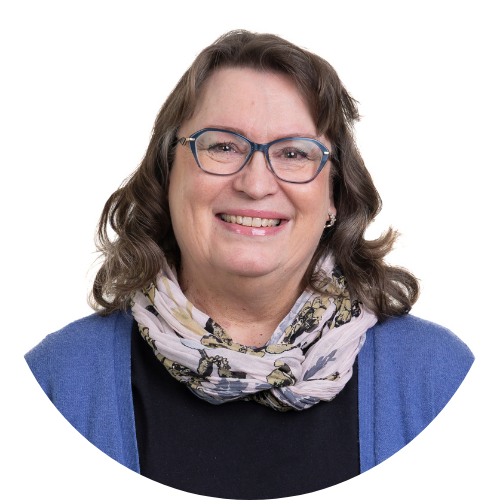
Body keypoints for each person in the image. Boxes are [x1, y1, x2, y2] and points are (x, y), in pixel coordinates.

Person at [24, 30, 474, 496]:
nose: (256, 184)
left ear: (334, 195)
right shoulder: (59, 380)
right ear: (166, 173)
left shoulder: (436, 378)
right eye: (223, 146)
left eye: (294, 153)